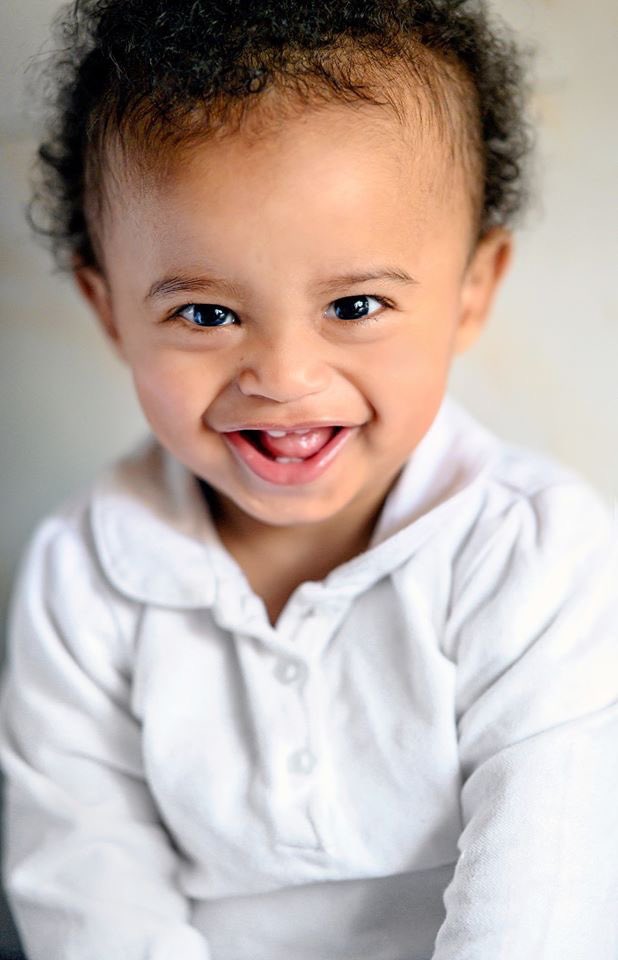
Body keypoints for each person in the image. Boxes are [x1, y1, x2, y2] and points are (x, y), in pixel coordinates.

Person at [0, 0, 616, 957]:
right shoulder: (84, 575)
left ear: (472, 292)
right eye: (205, 315)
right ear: (110, 309)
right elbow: (86, 888)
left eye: (356, 304)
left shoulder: (537, 554)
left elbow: (542, 906)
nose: (282, 377)